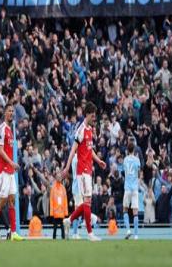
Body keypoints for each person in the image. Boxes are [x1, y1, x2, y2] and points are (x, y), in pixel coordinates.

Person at [62, 102, 106, 242]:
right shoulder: (80, 130)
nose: (94, 118)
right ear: (87, 114)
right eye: (93, 115)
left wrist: (98, 160)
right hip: (82, 171)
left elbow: (89, 149)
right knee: (87, 202)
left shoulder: (90, 130)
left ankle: (69, 220)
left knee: (86, 203)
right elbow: (73, 150)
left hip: (88, 170)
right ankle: (90, 233)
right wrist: (67, 167)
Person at [0, 104, 24, 241]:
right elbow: (0, 151)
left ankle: (13, 232)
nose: (12, 113)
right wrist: (11, 162)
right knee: (3, 202)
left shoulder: (10, 130)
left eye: (13, 111)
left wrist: (12, 165)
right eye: (9, 111)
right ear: (5, 113)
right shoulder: (1, 129)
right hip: (3, 171)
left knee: (12, 200)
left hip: (10, 171)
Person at [123, 140, 141, 240]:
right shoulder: (137, 160)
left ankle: (128, 230)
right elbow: (138, 172)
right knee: (135, 211)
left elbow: (124, 171)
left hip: (127, 188)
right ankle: (136, 235)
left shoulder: (125, 160)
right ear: (134, 150)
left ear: (127, 150)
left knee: (125, 209)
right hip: (135, 188)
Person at [50, 175, 68, 239]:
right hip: (55, 212)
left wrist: (66, 212)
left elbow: (65, 200)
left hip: (62, 211)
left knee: (62, 227)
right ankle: (54, 238)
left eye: (60, 177)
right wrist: (51, 212)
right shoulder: (53, 188)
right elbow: (51, 200)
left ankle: (63, 238)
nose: (59, 178)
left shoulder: (63, 188)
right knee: (55, 227)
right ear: (56, 178)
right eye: (58, 177)